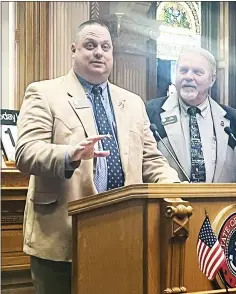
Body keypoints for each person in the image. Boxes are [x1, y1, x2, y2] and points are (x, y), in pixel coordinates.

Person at [15, 20, 180, 294]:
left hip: (124, 234)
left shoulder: (132, 102)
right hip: (62, 236)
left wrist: (176, 187)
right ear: (74, 50)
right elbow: (26, 151)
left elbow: (150, 160)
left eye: (105, 47)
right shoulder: (44, 93)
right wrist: (69, 154)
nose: (98, 53)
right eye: (90, 46)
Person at [146, 47, 236, 183]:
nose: (188, 77)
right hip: (169, 202)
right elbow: (144, 162)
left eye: (197, 72)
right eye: (183, 70)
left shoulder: (233, 119)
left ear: (212, 79)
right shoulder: (150, 112)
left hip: (220, 203)